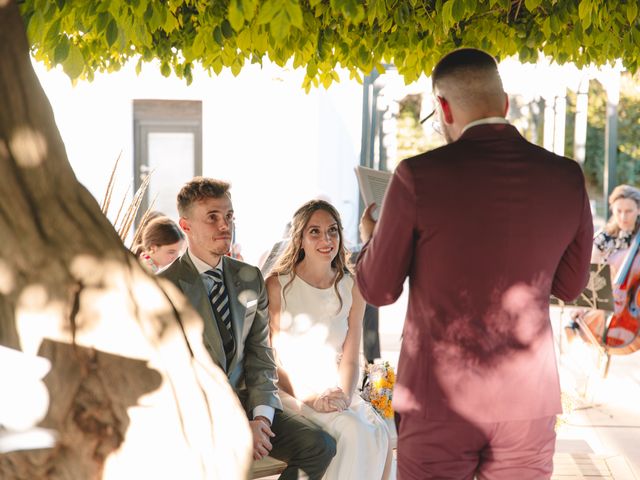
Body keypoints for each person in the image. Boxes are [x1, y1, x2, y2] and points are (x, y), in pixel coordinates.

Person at [356, 48, 593, 480]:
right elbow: (572, 285)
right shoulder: (567, 176)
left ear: (442, 107)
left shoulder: (417, 176)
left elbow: (378, 290)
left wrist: (372, 241)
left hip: (439, 399)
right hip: (527, 399)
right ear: (504, 105)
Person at [158, 177, 336, 480]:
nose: (224, 225)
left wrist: (261, 418)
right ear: (185, 226)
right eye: (212, 218)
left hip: (249, 402)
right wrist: (238, 428)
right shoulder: (162, 287)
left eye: (229, 216)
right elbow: (175, 376)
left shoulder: (250, 276)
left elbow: (261, 355)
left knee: (319, 445)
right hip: (197, 416)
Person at [266, 199, 393, 480]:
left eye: (332, 230)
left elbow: (350, 356)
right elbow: (272, 361)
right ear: (299, 239)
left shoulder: (352, 286)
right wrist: (312, 398)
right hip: (293, 392)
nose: (326, 239)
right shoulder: (278, 286)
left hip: (337, 388)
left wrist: (344, 397)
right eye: (315, 231)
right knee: (351, 431)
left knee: (373, 431)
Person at [569, 184, 640, 346]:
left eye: (629, 211)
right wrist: (583, 304)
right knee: (583, 318)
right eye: (618, 211)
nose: (623, 217)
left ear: (639, 210)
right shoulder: (603, 238)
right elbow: (591, 272)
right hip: (611, 296)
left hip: (636, 298)